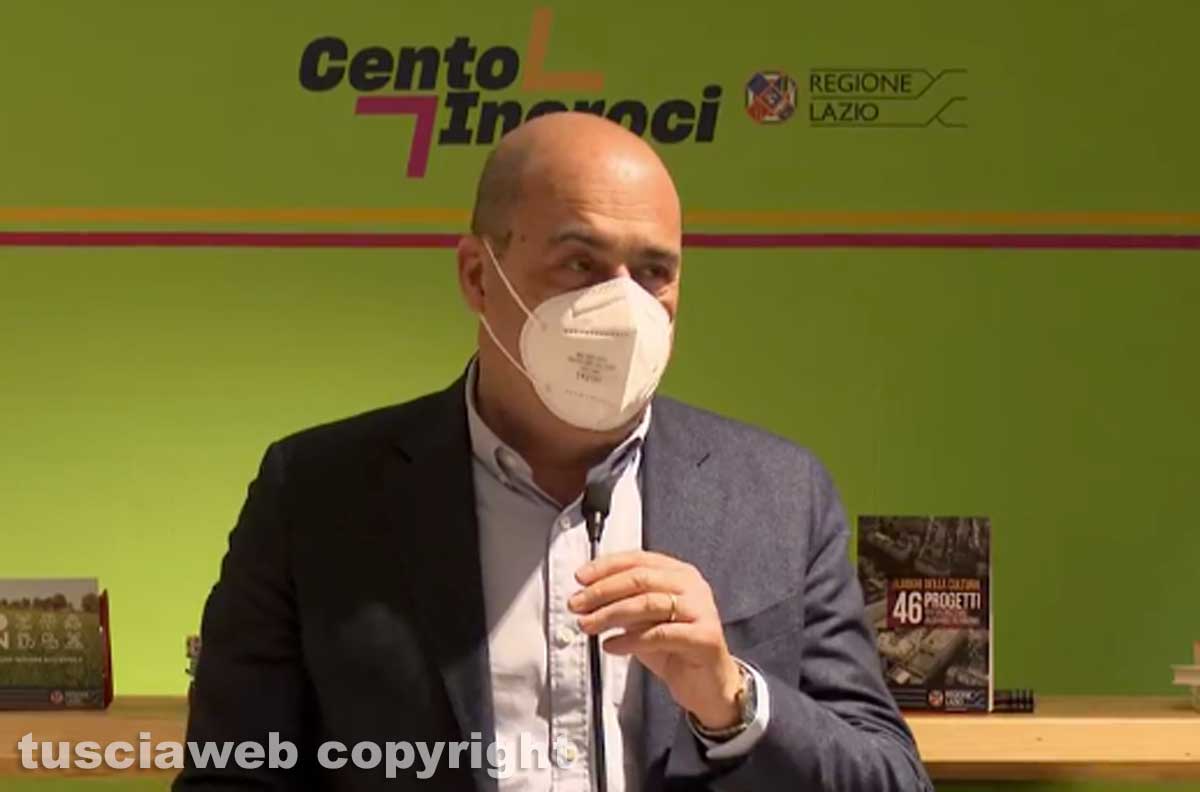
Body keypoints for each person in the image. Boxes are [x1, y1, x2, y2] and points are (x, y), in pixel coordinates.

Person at [176, 112, 932, 791]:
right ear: (479, 276)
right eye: (580, 263)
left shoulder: (780, 494)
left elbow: (891, 778)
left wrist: (733, 700)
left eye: (654, 272)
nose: (624, 305)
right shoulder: (317, 496)